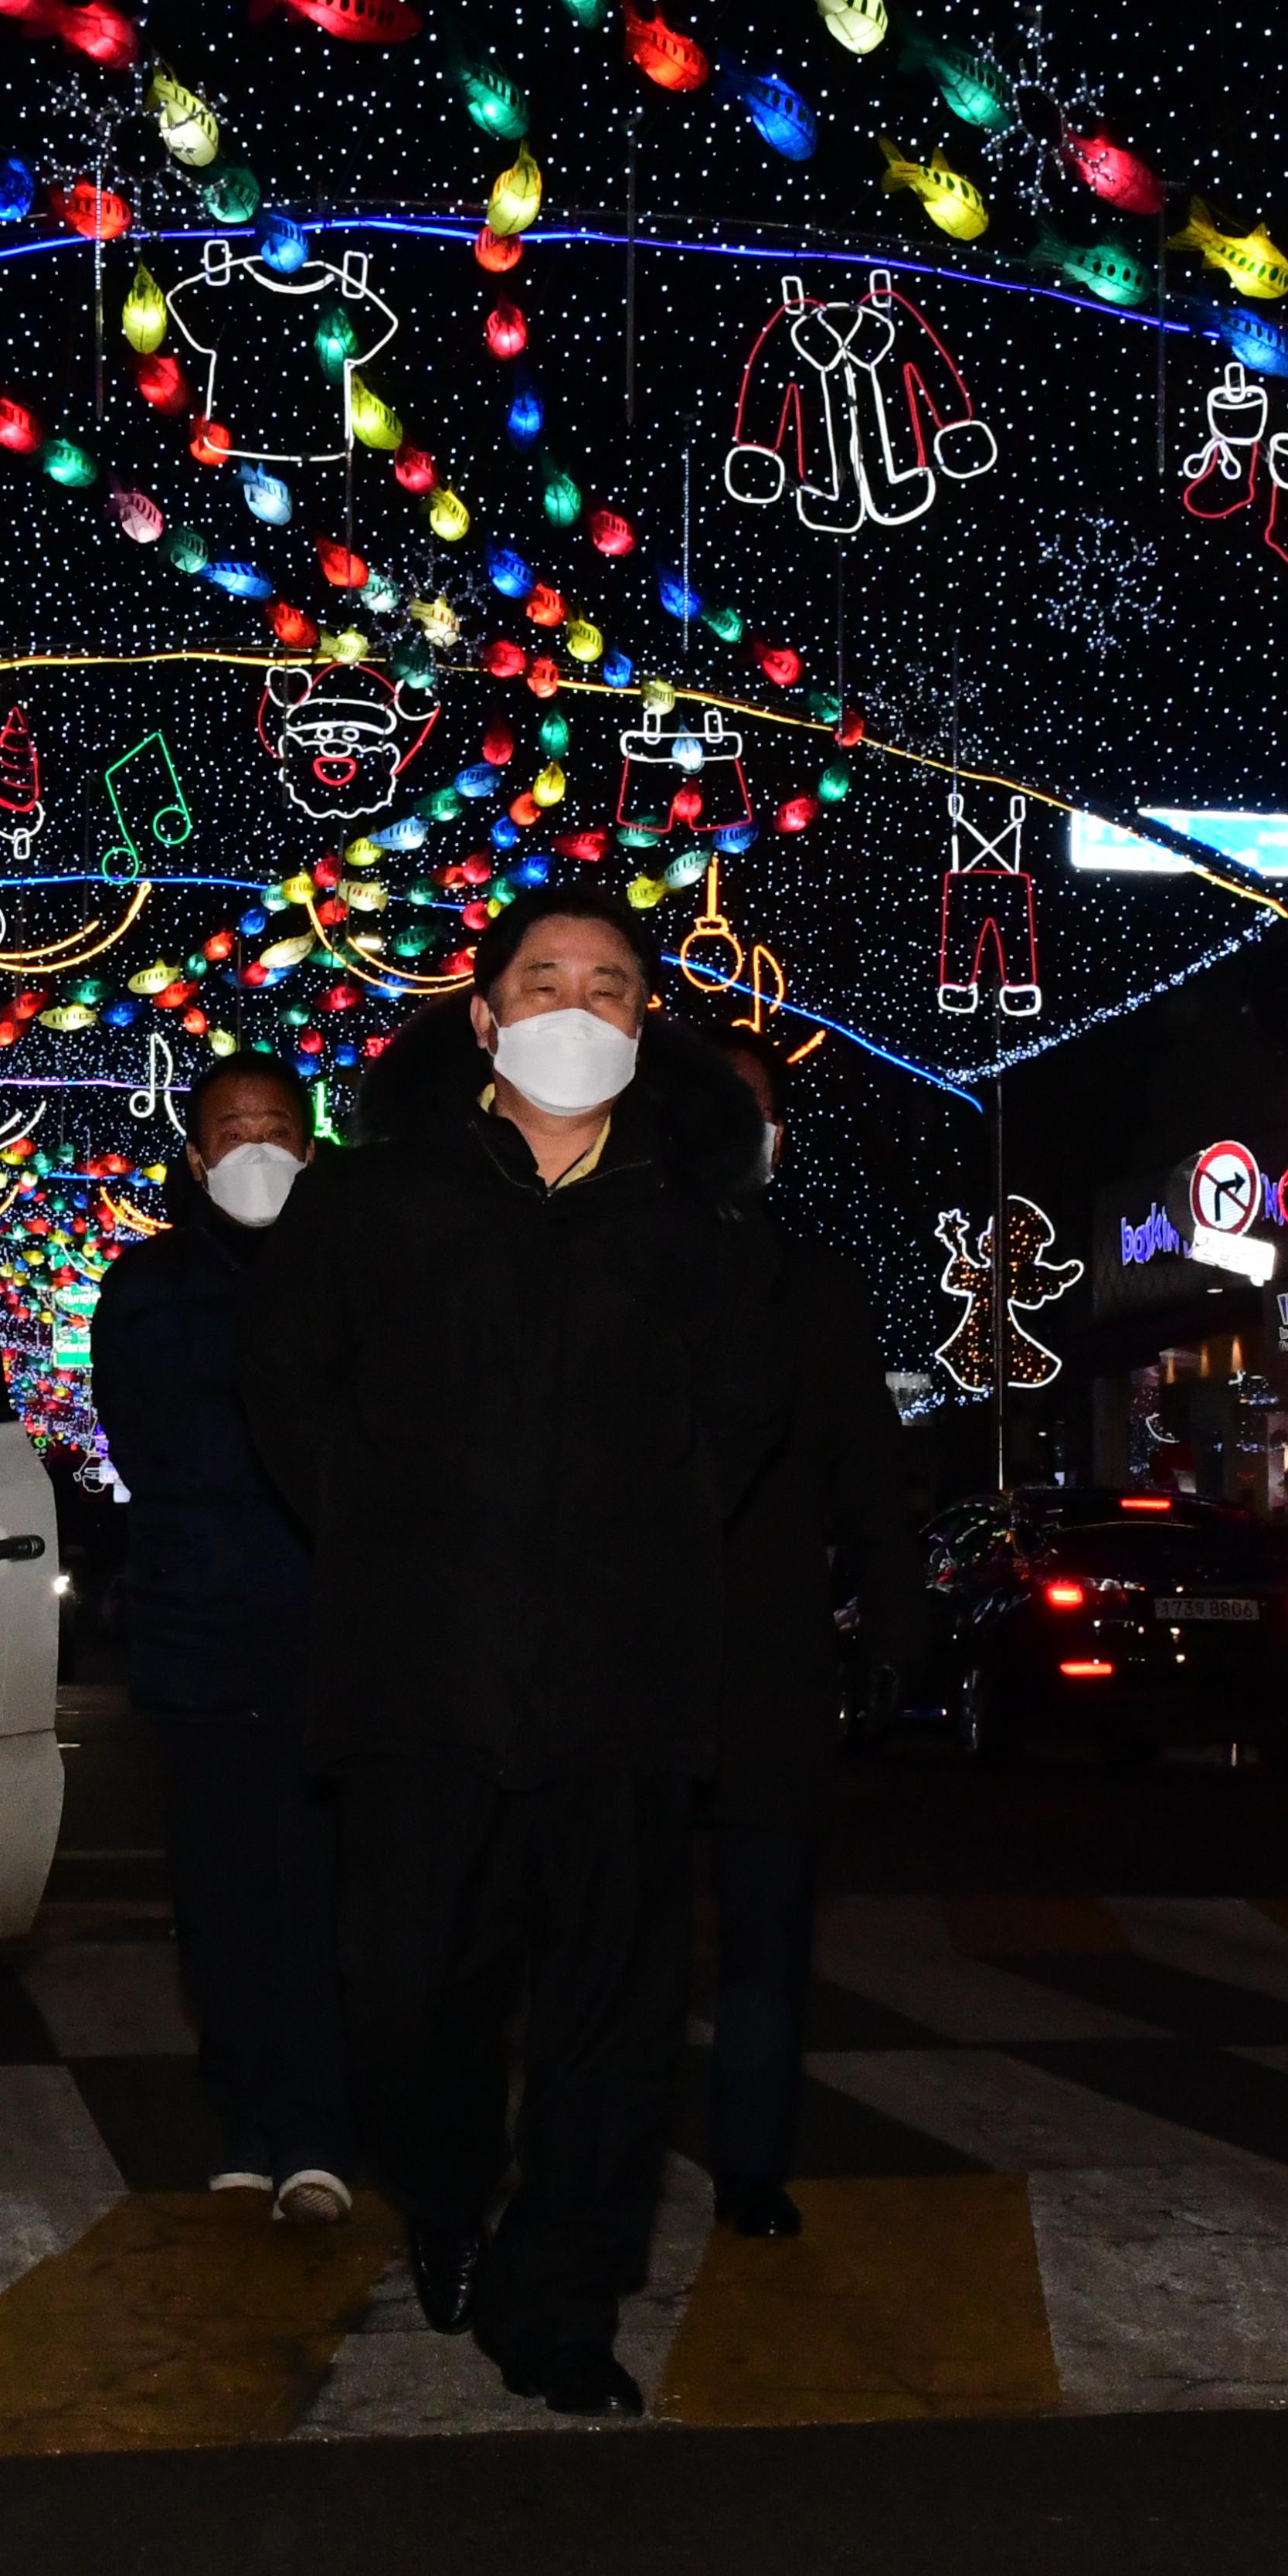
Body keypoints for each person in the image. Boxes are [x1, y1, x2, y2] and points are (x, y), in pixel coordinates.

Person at [242, 885, 778, 2417]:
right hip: (419, 1669)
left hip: (623, 1676)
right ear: (480, 1011)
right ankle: (452, 2190)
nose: (574, 1005)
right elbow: (286, 1385)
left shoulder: (695, 1216)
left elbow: (740, 1418)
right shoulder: (373, 1196)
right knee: (407, 1983)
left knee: (614, 2014)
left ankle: (563, 2303)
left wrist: (643, 1545)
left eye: (609, 984)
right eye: (543, 977)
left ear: (640, 1020)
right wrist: (391, 1535)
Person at [89, 1058, 352, 2222]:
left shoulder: (359, 1275)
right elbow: (149, 1448)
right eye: (231, 1130)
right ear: (194, 1158)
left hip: (338, 1643)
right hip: (200, 1640)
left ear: (310, 1147)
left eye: (275, 1128)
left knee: (326, 1896)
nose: (254, 1147)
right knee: (223, 1899)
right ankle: (246, 2115)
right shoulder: (147, 1288)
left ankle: (319, 2129)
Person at [702, 1027, 920, 2241]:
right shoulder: (604, 1271)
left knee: (767, 1943)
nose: (740, 1125)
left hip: (774, 1665)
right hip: (618, 1665)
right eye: (714, 1103)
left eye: (758, 1105)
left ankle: (749, 2165)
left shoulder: (817, 1291)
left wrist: (894, 1625)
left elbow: (869, 1483)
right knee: (595, 1945)